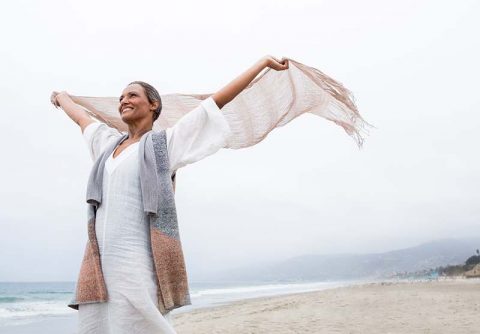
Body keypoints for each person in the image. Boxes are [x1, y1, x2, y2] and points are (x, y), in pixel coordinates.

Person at [51, 56, 289, 334]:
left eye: (132, 95)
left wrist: (261, 64)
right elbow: (82, 118)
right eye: (121, 97)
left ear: (153, 105)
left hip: (136, 262)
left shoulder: (165, 146)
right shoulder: (105, 145)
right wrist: (61, 97)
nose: (124, 100)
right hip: (99, 265)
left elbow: (214, 103)